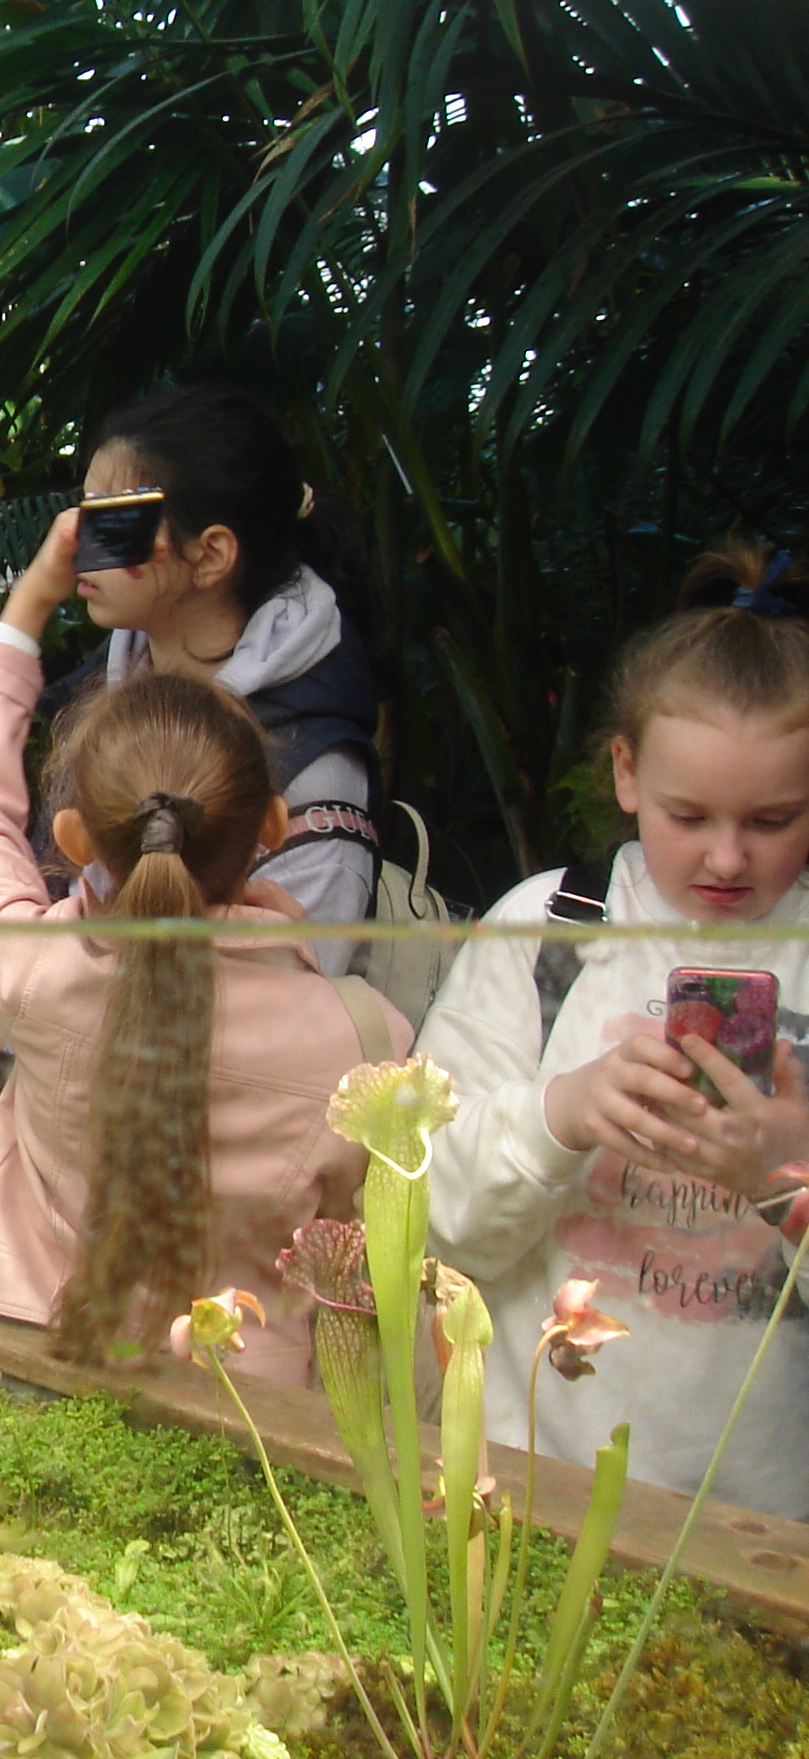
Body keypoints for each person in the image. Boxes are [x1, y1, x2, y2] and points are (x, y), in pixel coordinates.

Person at [0, 508, 395, 1384]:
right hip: (240, 1410)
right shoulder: (364, 1044)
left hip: (34, 1361)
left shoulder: (35, 971)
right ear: (275, 826)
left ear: (72, 839)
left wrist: (28, 607)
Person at [421, 543, 809, 1514]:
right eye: (690, 815)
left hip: (763, 1518)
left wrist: (781, 1179)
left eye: (773, 820)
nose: (728, 856)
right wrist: (565, 1111)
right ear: (626, 774)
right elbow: (431, 1215)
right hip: (531, 1480)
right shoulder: (549, 934)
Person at [45, 382, 383, 971]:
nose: (74, 545)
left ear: (209, 555)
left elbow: (286, 1002)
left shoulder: (311, 773)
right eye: (84, 512)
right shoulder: (96, 695)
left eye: (112, 521)